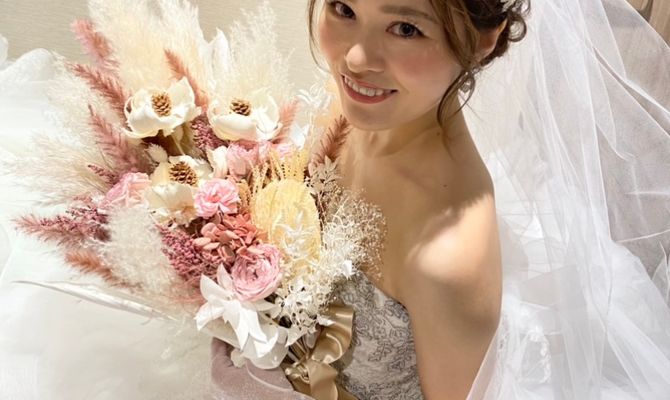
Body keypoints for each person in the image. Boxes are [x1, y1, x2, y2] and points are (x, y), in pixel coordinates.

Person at [2, 1, 670, 400]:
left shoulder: (447, 257)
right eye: (344, 8)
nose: (354, 58)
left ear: (484, 38)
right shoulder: (360, 113)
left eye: (405, 27)